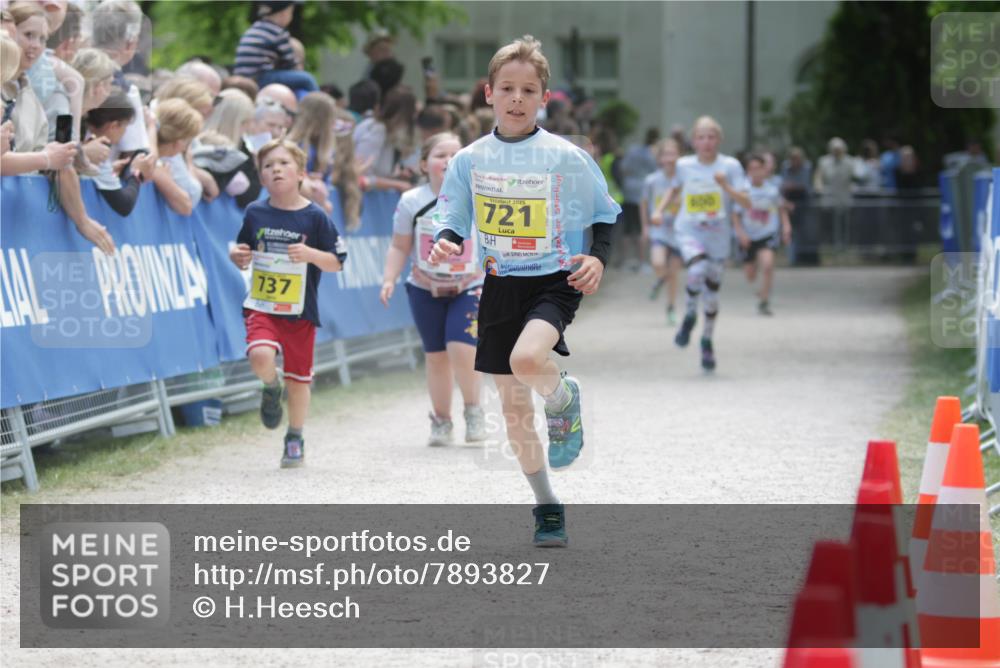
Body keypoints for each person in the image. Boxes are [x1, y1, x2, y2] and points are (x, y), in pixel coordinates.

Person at [430, 36, 620, 547]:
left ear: (543, 98)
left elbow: (605, 213)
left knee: (526, 359)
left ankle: (562, 399)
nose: (517, 98)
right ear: (489, 93)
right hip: (499, 282)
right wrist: (448, 242)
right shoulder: (469, 160)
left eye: (528, 90)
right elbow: (454, 216)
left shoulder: (564, 156)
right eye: (507, 88)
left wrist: (598, 257)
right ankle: (547, 505)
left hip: (554, 277)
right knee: (513, 410)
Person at [229, 139, 347, 468]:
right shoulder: (255, 212)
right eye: (268, 166)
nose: (276, 169)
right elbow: (242, 250)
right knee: (260, 355)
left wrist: (310, 254)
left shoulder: (315, 217)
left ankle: (295, 436)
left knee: (299, 380)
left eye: (283, 163)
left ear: (300, 173)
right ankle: (270, 386)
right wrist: (236, 255)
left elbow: (337, 262)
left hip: (300, 312)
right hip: (263, 304)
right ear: (261, 177)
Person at [380, 133, 486, 446]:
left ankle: (473, 410)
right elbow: (399, 246)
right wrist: (388, 279)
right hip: (424, 288)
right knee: (436, 356)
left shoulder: (478, 197)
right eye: (441, 155)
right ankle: (441, 419)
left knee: (462, 348)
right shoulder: (411, 201)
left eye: (456, 155)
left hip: (470, 286)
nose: (449, 161)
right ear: (424, 164)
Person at [652, 116, 750, 371]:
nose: (706, 142)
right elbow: (673, 190)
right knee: (696, 270)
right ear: (694, 141)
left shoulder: (730, 166)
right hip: (689, 231)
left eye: (711, 137)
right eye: (701, 137)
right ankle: (689, 316)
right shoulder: (684, 165)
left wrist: (725, 186)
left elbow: (747, 202)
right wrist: (659, 210)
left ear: (719, 140)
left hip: (717, 236)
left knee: (713, 295)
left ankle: (706, 339)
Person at [732, 154, 791, 316]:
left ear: (765, 170)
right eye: (752, 169)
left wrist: (786, 226)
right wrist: (740, 233)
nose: (756, 172)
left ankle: (764, 301)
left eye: (759, 168)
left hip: (767, 233)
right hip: (748, 236)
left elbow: (780, 209)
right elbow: (735, 215)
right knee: (750, 276)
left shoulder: (771, 189)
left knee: (768, 265)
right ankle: (754, 263)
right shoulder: (743, 190)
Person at [82, 89, 156, 217]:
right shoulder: (99, 150)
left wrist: (111, 167)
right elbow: (124, 205)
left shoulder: (84, 139)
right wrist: (136, 173)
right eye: (125, 126)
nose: (125, 132)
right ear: (114, 126)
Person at [233, 1, 317, 97]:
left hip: (242, 75)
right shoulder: (278, 32)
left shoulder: (254, 28)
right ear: (283, 14)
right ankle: (317, 104)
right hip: (261, 77)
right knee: (307, 79)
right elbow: (289, 63)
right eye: (291, 12)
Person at [640, 138, 683, 324]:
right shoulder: (652, 180)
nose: (670, 158)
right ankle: (659, 279)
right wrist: (645, 226)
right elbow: (644, 203)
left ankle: (671, 307)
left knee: (674, 273)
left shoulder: (684, 179)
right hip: (659, 230)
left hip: (680, 232)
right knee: (658, 263)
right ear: (660, 158)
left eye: (673, 154)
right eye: (666, 154)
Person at [620, 127, 660, 272]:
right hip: (643, 192)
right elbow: (657, 170)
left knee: (628, 228)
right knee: (642, 227)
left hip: (629, 190)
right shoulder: (652, 152)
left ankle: (625, 262)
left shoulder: (632, 150)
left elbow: (624, 168)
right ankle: (642, 262)